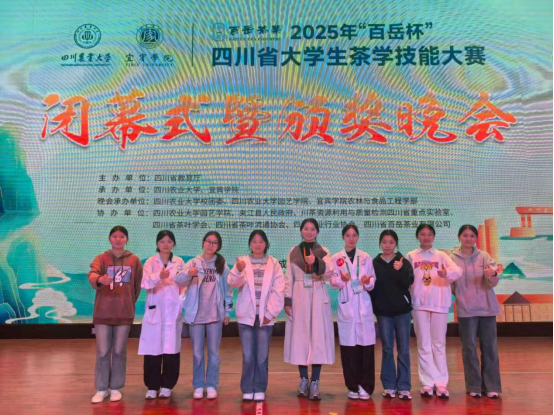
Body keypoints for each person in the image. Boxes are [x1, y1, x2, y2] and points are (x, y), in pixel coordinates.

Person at [88, 226, 143, 404]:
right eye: (114, 236)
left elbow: (137, 286)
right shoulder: (101, 258)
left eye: (121, 236)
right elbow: (92, 274)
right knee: (103, 351)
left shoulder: (134, 260)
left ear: (126, 239)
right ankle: (101, 388)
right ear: (109, 239)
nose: (118, 239)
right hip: (103, 313)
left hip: (124, 313)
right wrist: (100, 279)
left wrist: (127, 302)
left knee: (119, 351)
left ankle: (116, 388)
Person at [406, 224, 462, 399]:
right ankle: (427, 383)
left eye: (429, 234)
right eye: (423, 234)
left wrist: (447, 273)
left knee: (438, 344)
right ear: (418, 236)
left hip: (439, 304)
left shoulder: (442, 256)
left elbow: (458, 271)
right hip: (419, 304)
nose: (426, 237)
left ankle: (441, 383)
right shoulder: (411, 256)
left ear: (434, 237)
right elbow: (405, 279)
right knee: (423, 344)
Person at [229, 230, 285, 402]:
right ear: (250, 244)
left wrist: (270, 313)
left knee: (262, 356)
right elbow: (233, 283)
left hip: (265, 318)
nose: (257, 244)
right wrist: (238, 270)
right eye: (254, 241)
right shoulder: (242, 262)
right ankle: (247, 388)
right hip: (246, 317)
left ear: (266, 243)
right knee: (248, 356)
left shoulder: (274, 263)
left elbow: (279, 290)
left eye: (261, 241)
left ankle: (259, 388)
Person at [284, 218, 335, 401]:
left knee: (317, 339)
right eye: (306, 228)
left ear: (317, 232)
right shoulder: (293, 252)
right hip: (299, 297)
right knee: (301, 339)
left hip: (318, 295)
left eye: (312, 229)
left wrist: (316, 262)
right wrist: (287, 301)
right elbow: (288, 277)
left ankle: (315, 381)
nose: (309, 232)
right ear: (301, 231)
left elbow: (330, 272)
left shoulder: (324, 251)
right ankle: (304, 379)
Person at [178, 232, 233, 400]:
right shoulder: (193, 262)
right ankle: (198, 385)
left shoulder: (221, 265)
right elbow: (178, 279)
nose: (211, 245)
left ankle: (211, 385)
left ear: (218, 246)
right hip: (196, 316)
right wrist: (189, 273)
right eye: (208, 241)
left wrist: (227, 312)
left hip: (215, 316)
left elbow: (228, 291)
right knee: (197, 353)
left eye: (214, 243)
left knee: (214, 353)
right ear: (203, 243)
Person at [451, 225, 502, 399]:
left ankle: (492, 386)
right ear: (459, 237)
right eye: (465, 235)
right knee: (469, 348)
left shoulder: (485, 256)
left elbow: (494, 281)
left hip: (487, 308)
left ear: (476, 238)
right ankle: (473, 386)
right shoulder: (452, 258)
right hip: (466, 310)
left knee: (490, 347)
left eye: (472, 236)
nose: (468, 239)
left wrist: (492, 274)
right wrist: (460, 295)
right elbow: (450, 284)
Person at [139, 230, 188, 400]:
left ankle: (167, 385)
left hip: (173, 311)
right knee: (153, 350)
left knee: (171, 350)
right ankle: (152, 386)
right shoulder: (150, 262)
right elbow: (144, 283)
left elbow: (184, 284)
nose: (166, 244)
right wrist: (158, 276)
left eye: (169, 241)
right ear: (157, 244)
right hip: (155, 310)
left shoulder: (179, 262)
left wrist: (180, 303)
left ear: (173, 243)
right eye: (162, 241)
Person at [330, 224, 376, 401]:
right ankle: (352, 386)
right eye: (348, 235)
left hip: (363, 306)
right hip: (347, 306)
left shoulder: (365, 257)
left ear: (358, 237)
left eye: (354, 235)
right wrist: (341, 280)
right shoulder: (336, 258)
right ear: (343, 237)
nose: (351, 238)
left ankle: (366, 386)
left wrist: (367, 282)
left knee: (366, 348)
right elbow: (332, 282)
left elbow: (372, 281)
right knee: (349, 349)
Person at [371, 230, 414, 401]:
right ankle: (389, 385)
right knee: (387, 348)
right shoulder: (374, 263)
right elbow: (371, 287)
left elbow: (409, 281)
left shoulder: (403, 261)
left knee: (404, 349)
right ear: (380, 243)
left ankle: (404, 386)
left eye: (391, 242)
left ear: (396, 244)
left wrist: (400, 270)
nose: (387, 245)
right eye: (384, 242)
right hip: (383, 313)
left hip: (402, 312)